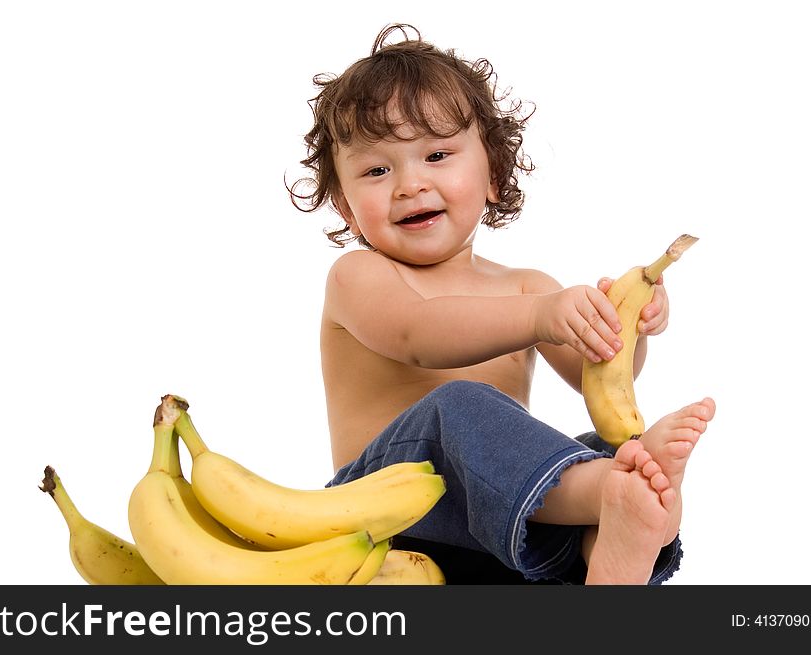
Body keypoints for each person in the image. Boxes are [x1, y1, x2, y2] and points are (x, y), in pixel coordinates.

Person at [289, 23, 715, 584]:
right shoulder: (360, 276)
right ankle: (614, 492)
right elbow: (419, 334)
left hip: (500, 535)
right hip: (385, 517)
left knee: (602, 445)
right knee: (458, 406)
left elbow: (603, 381)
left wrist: (627, 329)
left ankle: (620, 538)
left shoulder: (525, 285)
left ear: (492, 171)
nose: (410, 184)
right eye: (377, 170)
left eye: (437, 154)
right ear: (345, 206)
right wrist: (543, 315)